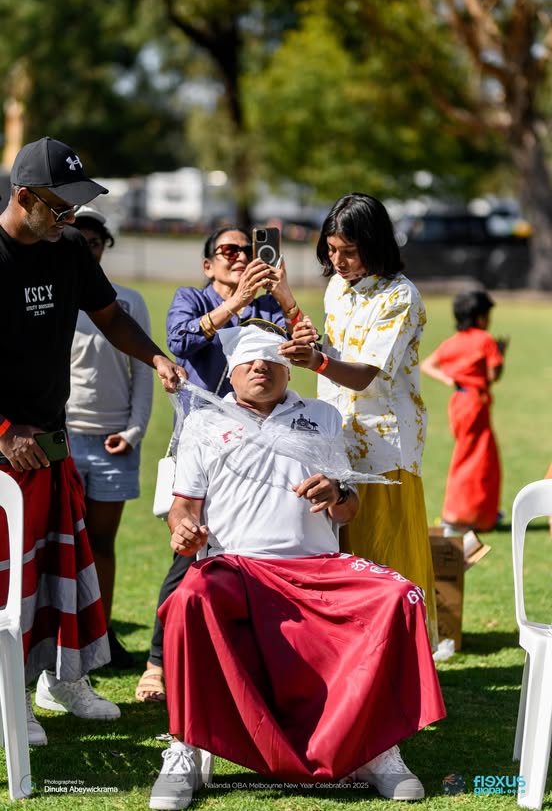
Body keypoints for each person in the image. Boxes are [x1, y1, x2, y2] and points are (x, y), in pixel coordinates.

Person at [149, 324, 445, 810]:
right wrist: (183, 529)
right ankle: (186, 747)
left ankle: (379, 751)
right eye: (248, 361)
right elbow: (184, 506)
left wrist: (338, 492)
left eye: (271, 360)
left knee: (399, 596)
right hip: (235, 567)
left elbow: (346, 508)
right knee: (187, 600)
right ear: (232, 371)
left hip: (317, 566)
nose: (260, 367)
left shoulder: (322, 415)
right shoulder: (205, 421)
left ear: (289, 369)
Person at [0, 136, 184, 747]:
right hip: (6, 457)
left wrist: (156, 358)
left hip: (54, 447)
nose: (70, 219)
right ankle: (12, 698)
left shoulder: (71, 248)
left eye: (77, 208)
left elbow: (110, 316)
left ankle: (64, 678)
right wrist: (3, 432)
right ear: (23, 197)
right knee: (13, 588)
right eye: (58, 207)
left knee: (63, 572)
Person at [136, 225, 299, 701]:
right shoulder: (192, 297)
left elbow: (303, 347)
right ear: (208, 264)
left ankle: (250, 661)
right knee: (189, 551)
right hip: (204, 444)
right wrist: (234, 304)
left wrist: (283, 296)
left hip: (264, 447)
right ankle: (158, 663)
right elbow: (182, 342)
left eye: (247, 250)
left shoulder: (268, 304)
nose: (239, 256)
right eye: (227, 250)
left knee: (257, 547)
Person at [278, 193, 438, 648]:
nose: (338, 260)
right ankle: (350, 660)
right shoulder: (338, 288)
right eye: (331, 250)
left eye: (349, 250)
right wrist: (286, 299)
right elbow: (334, 352)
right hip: (336, 440)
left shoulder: (399, 295)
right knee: (343, 558)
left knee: (386, 561)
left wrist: (316, 362)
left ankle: (403, 663)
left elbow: (365, 375)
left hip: (384, 446)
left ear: (375, 242)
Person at [66, 205, 154, 668]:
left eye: (95, 241)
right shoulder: (55, 296)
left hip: (114, 440)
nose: (87, 248)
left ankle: (102, 638)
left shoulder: (128, 301)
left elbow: (144, 373)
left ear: (104, 246)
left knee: (102, 544)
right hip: (63, 440)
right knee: (63, 545)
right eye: (78, 239)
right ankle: (63, 640)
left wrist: (135, 431)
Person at [420, 289, 507, 534]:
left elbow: (427, 365)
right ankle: (463, 515)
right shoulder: (484, 339)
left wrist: (452, 379)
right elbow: (493, 375)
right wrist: (500, 356)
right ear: (480, 317)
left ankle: (478, 512)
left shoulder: (453, 342)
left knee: (471, 456)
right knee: (478, 461)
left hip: (459, 401)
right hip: (476, 404)